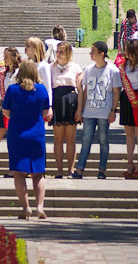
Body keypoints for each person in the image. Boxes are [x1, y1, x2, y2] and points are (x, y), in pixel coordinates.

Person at [2, 60, 52, 219]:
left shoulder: (12, 90)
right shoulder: (42, 90)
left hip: (17, 134)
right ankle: (40, 207)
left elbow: (6, 112)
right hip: (36, 134)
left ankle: (26, 208)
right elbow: (45, 112)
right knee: (38, 173)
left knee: (18, 173)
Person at [73, 41, 120, 179]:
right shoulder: (89, 69)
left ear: (102, 53)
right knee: (86, 141)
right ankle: (80, 169)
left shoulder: (113, 70)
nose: (90, 54)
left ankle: (102, 170)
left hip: (104, 112)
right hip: (89, 111)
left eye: (93, 51)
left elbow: (116, 92)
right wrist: (81, 109)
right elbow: (86, 90)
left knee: (103, 141)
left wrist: (113, 110)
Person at [0, 46, 21, 177]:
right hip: (5, 107)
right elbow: (1, 94)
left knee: (14, 140)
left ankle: (14, 169)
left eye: (7, 56)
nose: (4, 59)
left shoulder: (20, 72)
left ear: (13, 57)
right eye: (4, 56)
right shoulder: (3, 73)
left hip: (16, 108)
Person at [116, 38, 138, 178]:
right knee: (129, 133)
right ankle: (129, 164)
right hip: (126, 100)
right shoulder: (124, 66)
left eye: (128, 51)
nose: (125, 53)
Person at [50, 41, 82, 178]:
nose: (58, 54)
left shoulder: (75, 67)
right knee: (57, 139)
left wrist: (79, 109)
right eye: (57, 51)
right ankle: (59, 170)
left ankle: (71, 169)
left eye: (61, 52)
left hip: (71, 101)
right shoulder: (51, 67)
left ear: (68, 53)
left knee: (70, 139)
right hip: (57, 101)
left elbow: (80, 90)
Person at [23, 37, 52, 105]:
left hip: (37, 99)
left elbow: (47, 87)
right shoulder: (25, 63)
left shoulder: (43, 66)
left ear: (35, 48)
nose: (25, 48)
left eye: (28, 46)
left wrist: (49, 105)